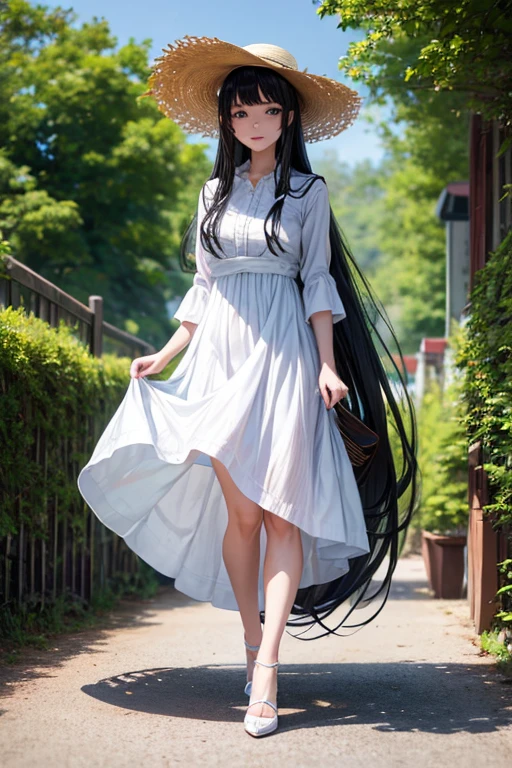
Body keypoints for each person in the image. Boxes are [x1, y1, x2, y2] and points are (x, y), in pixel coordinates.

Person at [78, 37, 418, 738]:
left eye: (268, 107)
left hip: (289, 356)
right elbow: (202, 287)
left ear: (288, 117)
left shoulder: (308, 193)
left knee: (281, 516)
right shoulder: (213, 194)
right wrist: (167, 355)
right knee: (241, 518)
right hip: (224, 359)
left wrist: (328, 363)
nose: (255, 121)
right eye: (241, 111)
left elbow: (318, 283)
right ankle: (248, 637)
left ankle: (267, 668)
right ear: (227, 122)